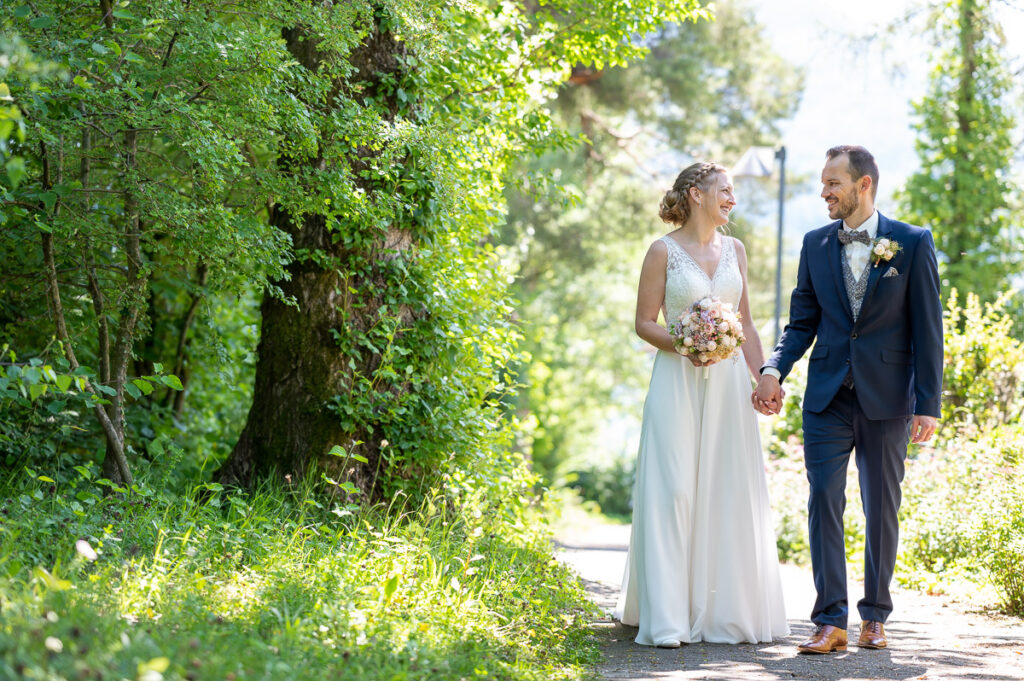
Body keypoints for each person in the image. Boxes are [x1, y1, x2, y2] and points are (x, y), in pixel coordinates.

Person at [754, 145, 943, 654]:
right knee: (823, 503)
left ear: (863, 185)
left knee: (882, 507)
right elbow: (802, 323)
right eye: (822, 183)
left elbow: (929, 329)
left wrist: (928, 402)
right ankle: (830, 620)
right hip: (826, 396)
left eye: (832, 183)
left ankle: (875, 617)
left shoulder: (911, 241)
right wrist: (773, 368)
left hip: (887, 398)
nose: (824, 192)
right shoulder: (815, 244)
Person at [614, 161, 790, 647]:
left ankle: (724, 611)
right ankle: (668, 617)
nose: (732, 198)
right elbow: (644, 322)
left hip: (730, 387)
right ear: (696, 194)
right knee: (674, 491)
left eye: (733, 191)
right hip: (677, 380)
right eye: (725, 190)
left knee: (725, 488)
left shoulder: (736, 249)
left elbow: (748, 325)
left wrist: (763, 379)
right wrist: (687, 344)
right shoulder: (662, 251)